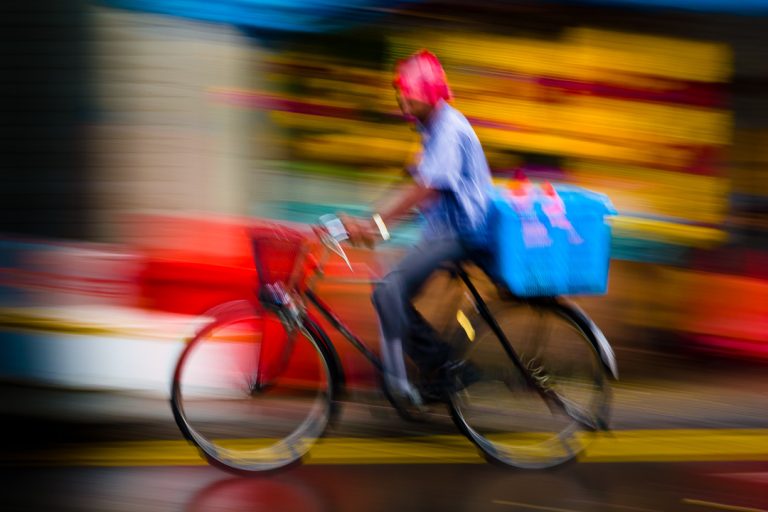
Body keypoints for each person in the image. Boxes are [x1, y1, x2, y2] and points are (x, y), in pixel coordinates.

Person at [341, 49, 493, 406]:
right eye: (400, 91)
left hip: (462, 232)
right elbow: (412, 184)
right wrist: (369, 222)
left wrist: (377, 226)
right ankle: (436, 371)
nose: (401, 98)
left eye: (407, 91)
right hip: (443, 231)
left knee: (388, 291)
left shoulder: (449, 129)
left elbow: (427, 189)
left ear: (426, 92)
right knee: (387, 291)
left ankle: (429, 376)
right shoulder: (430, 129)